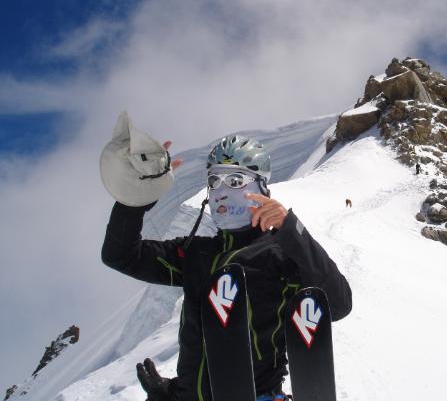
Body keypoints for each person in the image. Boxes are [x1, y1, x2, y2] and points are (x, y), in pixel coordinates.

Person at [102, 135, 352, 401]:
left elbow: (338, 303)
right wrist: (137, 199)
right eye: (213, 181)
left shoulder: (280, 255)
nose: (220, 192)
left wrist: (291, 229)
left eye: (234, 181)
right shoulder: (196, 253)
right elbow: (120, 255)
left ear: (262, 189)